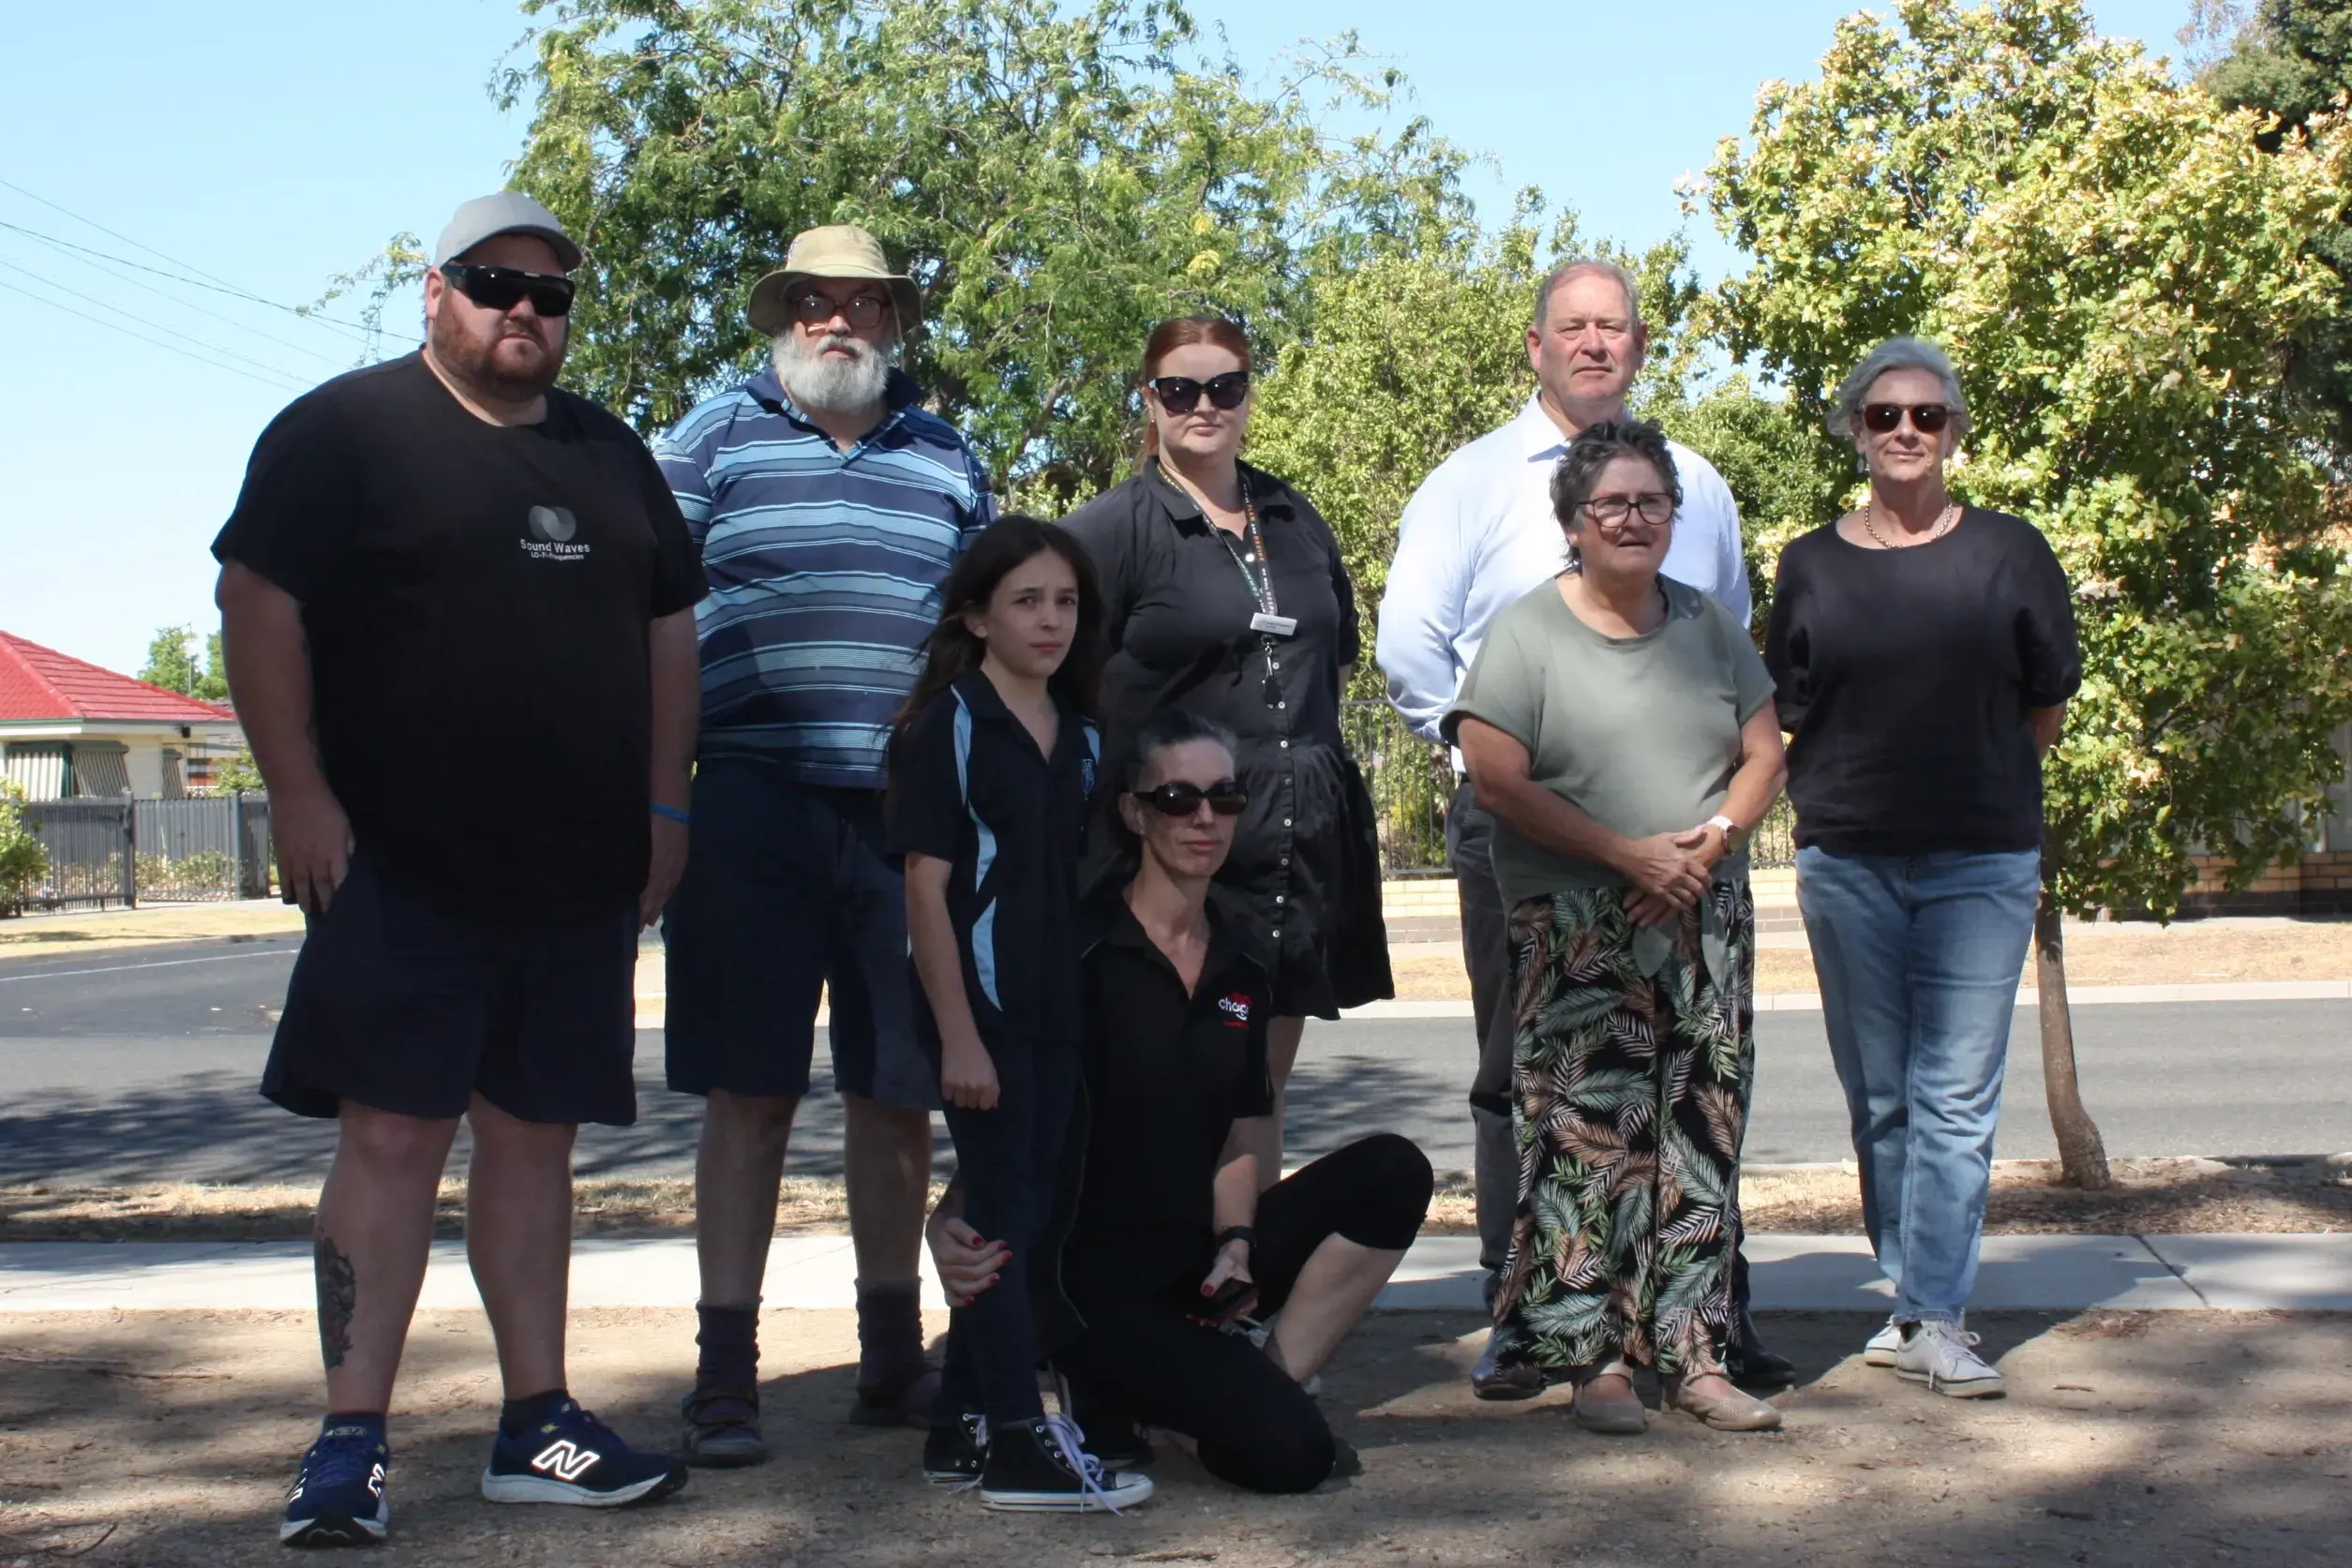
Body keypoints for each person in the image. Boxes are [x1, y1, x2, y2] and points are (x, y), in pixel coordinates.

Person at [212, 191, 703, 1548]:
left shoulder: (609, 453)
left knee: (535, 1139)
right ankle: (347, 1442)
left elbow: (670, 631)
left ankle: (537, 1421)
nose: (524, 311)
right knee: (390, 1136)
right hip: (395, 861)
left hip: (578, 867)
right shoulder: (343, 431)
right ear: (435, 292)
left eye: (551, 295)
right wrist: (297, 792)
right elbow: (257, 603)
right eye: (496, 284)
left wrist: (667, 803)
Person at [1377, 257, 1787, 1399]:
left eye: (1614, 326)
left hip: (1694, 867)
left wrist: (1701, 838)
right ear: (1536, 344)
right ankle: (1534, 1322)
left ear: (1639, 346)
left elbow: (1733, 669)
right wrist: (1480, 763)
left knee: (1694, 1096)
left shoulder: (1697, 483)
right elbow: (1410, 644)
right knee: (1536, 1087)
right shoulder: (1469, 482)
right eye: (1574, 326)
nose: (1595, 343)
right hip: (1535, 848)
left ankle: (1698, 1326)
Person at [654, 225, 994, 1462]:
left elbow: (986, 633)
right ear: (782, 315)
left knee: (895, 1095)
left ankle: (891, 1359)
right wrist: (657, 797)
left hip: (905, 819)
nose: (835, 319)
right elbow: (644, 616)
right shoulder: (709, 440)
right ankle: (724, 1377)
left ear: (894, 321)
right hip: (748, 803)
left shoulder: (950, 456)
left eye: (861, 301)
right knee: (746, 1092)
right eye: (811, 299)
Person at [929, 709, 1432, 1495]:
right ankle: (1143, 1395)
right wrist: (945, 1221)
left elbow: (1237, 1136)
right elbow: (1010, 1126)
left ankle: (1253, 1384)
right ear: (1134, 813)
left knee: (1392, 1170)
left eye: (1224, 798)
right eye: (1177, 798)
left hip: (1196, 1265)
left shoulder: (1242, 963)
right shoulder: (1075, 954)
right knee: (1294, 1458)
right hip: (1096, 1290)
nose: (1204, 817)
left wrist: (1237, 1240)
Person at [1446, 416, 1787, 1435]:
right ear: (1572, 522)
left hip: (1700, 911)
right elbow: (1496, 778)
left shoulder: (1710, 626)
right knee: (1585, 1140)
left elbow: (1764, 753)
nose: (1633, 519)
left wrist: (1707, 845)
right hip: (1577, 921)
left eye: (1651, 502)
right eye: (1611, 504)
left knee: (1698, 1134)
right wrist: (1624, 855)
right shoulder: (1527, 634)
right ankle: (1590, 1359)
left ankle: (1693, 1354)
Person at [1765, 336, 2081, 1398]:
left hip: (1980, 861)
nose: (1905, 430)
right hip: (1847, 860)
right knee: (1880, 1099)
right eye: (1884, 414)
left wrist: (1977, 786)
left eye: (1926, 415)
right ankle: (1910, 1302)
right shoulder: (1809, 563)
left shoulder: (2008, 552)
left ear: (1953, 432)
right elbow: (1787, 708)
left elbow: (2044, 703)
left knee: (1952, 1096)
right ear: (1855, 431)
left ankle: (1936, 1312)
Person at [1062, 317, 1390, 1186]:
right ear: (1149, 400)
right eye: (1179, 389)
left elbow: (1334, 658)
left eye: (1225, 387)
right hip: (1172, 852)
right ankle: (1137, 1260)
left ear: (1248, 396)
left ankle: (1238, 1258)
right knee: (1153, 1087)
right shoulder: (1110, 530)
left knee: (1255, 1093)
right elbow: (1054, 677)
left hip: (1289, 846)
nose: (1203, 405)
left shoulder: (1294, 517)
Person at [887, 516, 1153, 1512]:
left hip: (1054, 1005)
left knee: (1026, 1214)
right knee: (1001, 1210)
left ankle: (958, 1423)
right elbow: (925, 889)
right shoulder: (948, 726)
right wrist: (958, 1035)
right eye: (1026, 600)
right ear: (976, 616)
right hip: (979, 1013)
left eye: (1066, 601)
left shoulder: (1082, 735)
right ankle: (1014, 1436)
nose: (1049, 620)